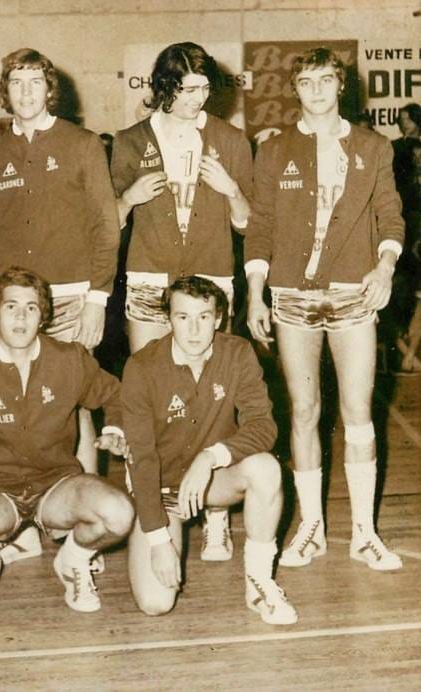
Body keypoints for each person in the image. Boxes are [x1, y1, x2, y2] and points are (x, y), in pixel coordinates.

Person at [245, 47, 404, 572]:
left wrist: (384, 268)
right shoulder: (274, 150)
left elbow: (391, 216)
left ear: (341, 86)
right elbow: (260, 226)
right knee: (305, 411)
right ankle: (310, 528)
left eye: (325, 80)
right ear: (295, 89)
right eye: (306, 82)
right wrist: (255, 292)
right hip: (292, 296)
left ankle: (363, 533)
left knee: (358, 415)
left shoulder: (373, 146)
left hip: (354, 294)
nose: (316, 90)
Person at [111, 42, 254, 562]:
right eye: (188, 89)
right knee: (149, 394)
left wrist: (231, 189)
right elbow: (107, 222)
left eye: (205, 89)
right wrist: (129, 198)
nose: (198, 99)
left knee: (216, 396)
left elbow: (248, 223)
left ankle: (216, 517)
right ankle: (154, 513)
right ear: (165, 88)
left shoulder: (230, 140)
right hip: (150, 277)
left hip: (211, 276)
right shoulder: (130, 141)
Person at [0, 267, 134, 615]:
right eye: (11, 307)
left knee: (119, 514)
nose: (21, 317)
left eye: (31, 308)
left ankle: (73, 559)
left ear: (43, 316)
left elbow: (119, 397)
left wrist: (115, 429)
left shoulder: (70, 359)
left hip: (56, 486)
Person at [0, 48, 121, 482]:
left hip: (72, 300)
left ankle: (82, 503)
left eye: (35, 82)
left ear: (50, 90)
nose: (26, 92)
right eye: (17, 83)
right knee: (18, 406)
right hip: (13, 305)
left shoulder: (83, 144)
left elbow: (106, 229)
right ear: (5, 92)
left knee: (74, 405)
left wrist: (97, 300)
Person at [122, 277, 297, 625]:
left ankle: (259, 582)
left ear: (218, 318)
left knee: (266, 469)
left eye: (203, 317)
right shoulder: (142, 367)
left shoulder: (238, 353)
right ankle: (164, 532)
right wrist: (158, 540)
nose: (194, 330)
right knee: (156, 603)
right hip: (162, 490)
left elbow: (263, 426)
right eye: (183, 317)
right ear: (168, 319)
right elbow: (141, 459)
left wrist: (210, 457)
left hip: (213, 478)